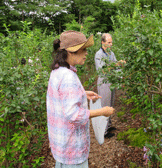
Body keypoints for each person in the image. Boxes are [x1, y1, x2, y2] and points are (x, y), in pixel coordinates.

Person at [47, 30, 115, 168]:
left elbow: (62, 97)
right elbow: (74, 114)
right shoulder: (68, 77)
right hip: (72, 149)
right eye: (83, 49)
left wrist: (82, 93)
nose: (86, 53)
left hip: (61, 145)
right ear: (71, 52)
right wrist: (102, 111)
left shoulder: (57, 71)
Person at [94, 33, 125, 138]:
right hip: (104, 82)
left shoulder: (111, 53)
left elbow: (116, 67)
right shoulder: (99, 54)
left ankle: (108, 125)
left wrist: (121, 75)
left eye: (111, 42)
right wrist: (116, 64)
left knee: (110, 104)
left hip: (111, 81)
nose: (111, 44)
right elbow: (101, 70)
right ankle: (103, 132)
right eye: (109, 42)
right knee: (105, 105)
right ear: (103, 42)